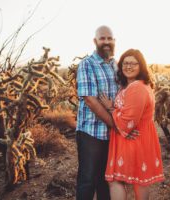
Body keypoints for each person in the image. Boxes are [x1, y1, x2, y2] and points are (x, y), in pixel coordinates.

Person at [99, 49, 165, 200]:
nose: (128, 66)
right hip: (137, 138)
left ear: (141, 66)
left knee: (116, 180)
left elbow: (128, 121)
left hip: (131, 138)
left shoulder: (137, 87)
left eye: (133, 63)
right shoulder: (134, 86)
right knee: (139, 180)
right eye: (125, 63)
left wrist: (110, 107)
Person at [75, 25, 118, 200]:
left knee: (106, 179)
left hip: (112, 134)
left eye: (109, 38)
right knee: (87, 179)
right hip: (91, 133)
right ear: (95, 41)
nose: (106, 42)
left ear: (114, 41)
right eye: (102, 38)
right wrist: (116, 124)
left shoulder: (116, 64)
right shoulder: (87, 64)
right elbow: (91, 100)